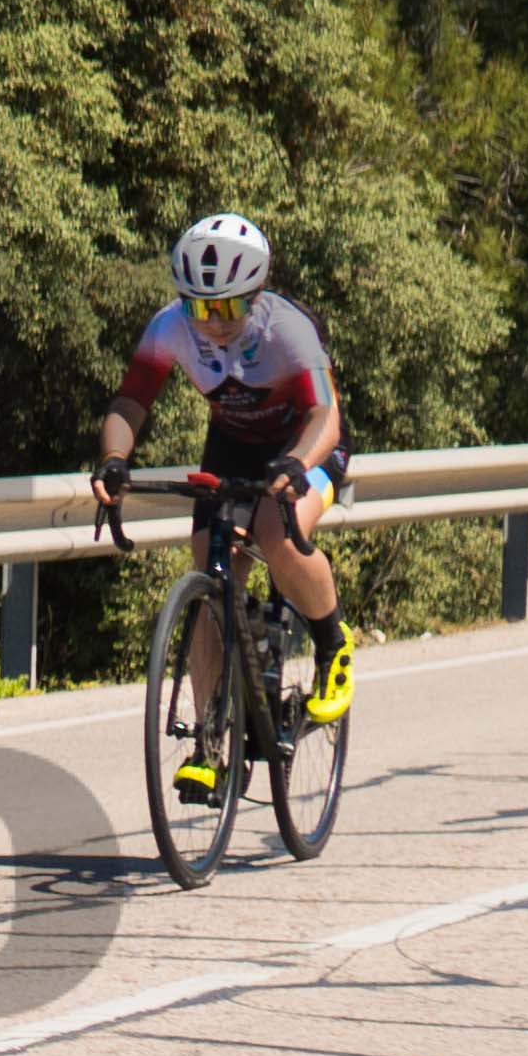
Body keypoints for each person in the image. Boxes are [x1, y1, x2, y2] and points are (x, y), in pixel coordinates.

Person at [101, 212, 352, 791]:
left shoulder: (287, 330)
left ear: (256, 296)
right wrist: (114, 460)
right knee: (209, 568)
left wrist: (297, 462)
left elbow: (326, 417)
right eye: (198, 306)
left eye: (227, 308)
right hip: (235, 446)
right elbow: (130, 404)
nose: (211, 322)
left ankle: (332, 643)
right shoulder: (169, 328)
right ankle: (213, 745)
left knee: (275, 531)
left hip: (306, 444)